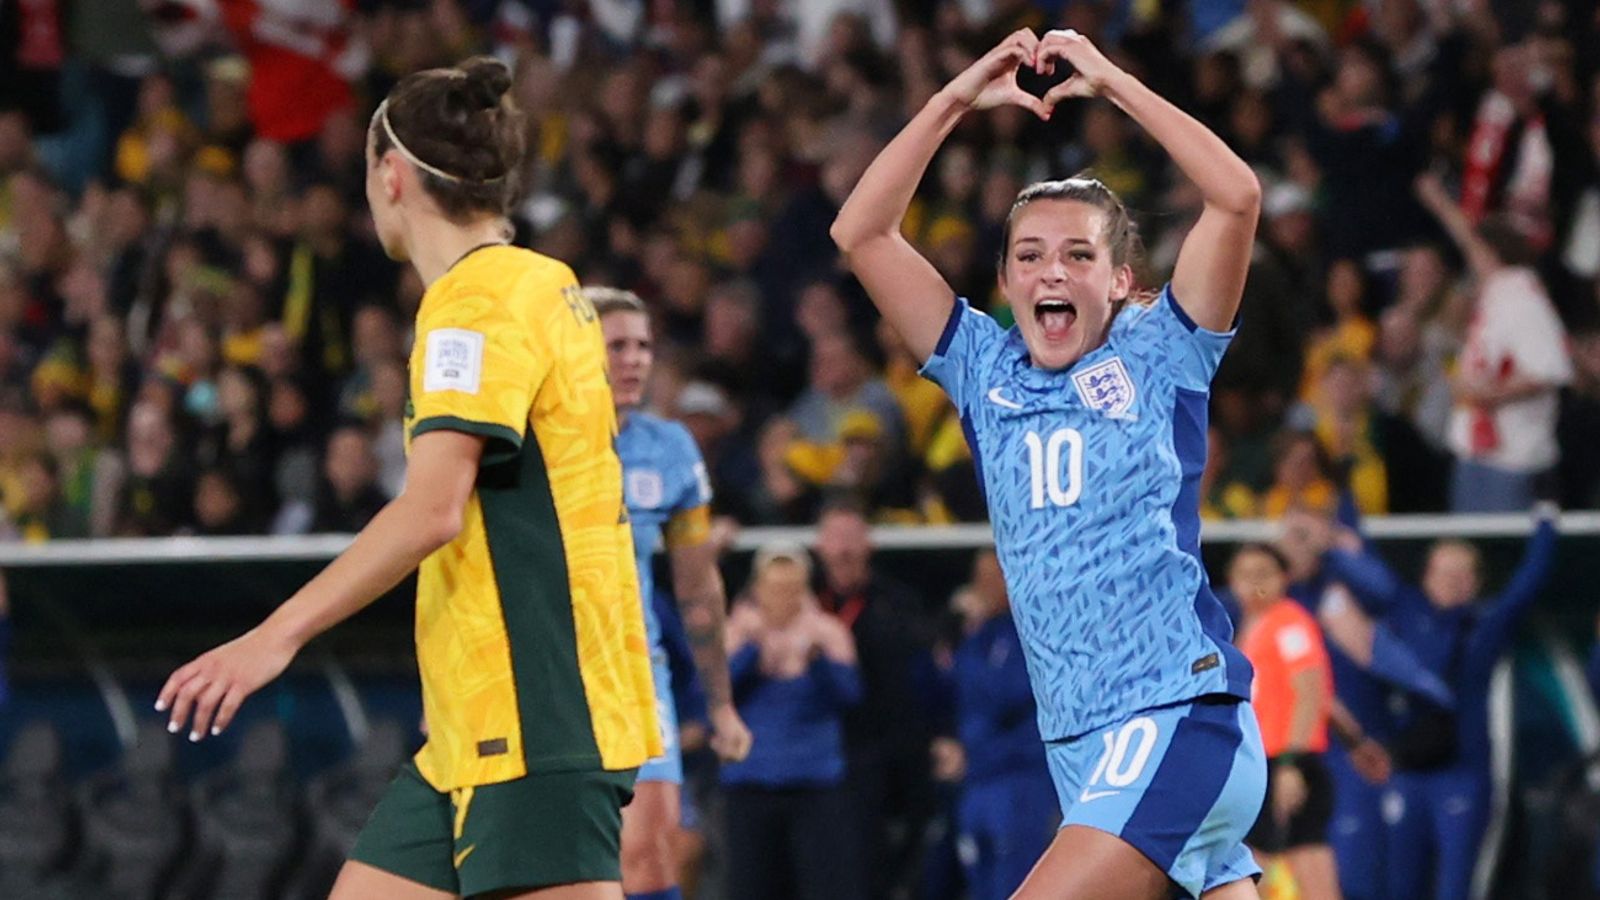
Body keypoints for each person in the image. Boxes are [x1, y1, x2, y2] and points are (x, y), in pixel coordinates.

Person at [155, 58, 660, 900]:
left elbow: (434, 510)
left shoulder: (477, 303)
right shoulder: (543, 282)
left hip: (534, 711)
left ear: (390, 175)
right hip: (478, 717)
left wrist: (271, 637)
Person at [832, 26, 1267, 899]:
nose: (1050, 272)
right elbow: (862, 230)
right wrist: (954, 99)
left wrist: (1113, 85)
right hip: (1078, 746)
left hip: (1174, 717)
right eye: (1029, 256)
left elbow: (1236, 197)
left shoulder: (1161, 353)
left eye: (1078, 254)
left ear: (1119, 280)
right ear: (1004, 279)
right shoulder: (983, 372)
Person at [588, 285, 753, 900]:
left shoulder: (671, 449)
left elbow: (698, 588)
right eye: (616, 345)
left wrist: (719, 705)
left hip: (635, 672)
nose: (634, 359)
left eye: (643, 346)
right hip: (542, 672)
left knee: (652, 853)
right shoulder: (529, 442)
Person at [1322, 503, 1559, 900]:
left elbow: (1527, 585)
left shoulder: (1483, 628)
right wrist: (1345, 489)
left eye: (1461, 573)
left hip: (1463, 775)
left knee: (1455, 887)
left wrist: (1547, 523)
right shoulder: (1403, 614)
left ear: (1476, 582)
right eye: (1442, 571)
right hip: (1408, 773)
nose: (1451, 581)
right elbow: (1361, 561)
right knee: (1400, 886)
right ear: (1426, 576)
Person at [720, 544, 866, 900]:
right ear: (758, 589)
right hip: (751, 781)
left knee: (823, 887)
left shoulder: (827, 632)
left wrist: (817, 662)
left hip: (813, 781)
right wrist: (752, 653)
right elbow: (717, 694)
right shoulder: (738, 631)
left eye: (791, 588)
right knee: (750, 888)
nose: (782, 597)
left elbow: (850, 697)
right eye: (774, 588)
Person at [939, 550, 1057, 900]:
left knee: (1018, 883)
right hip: (977, 777)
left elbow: (1008, 693)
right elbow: (947, 692)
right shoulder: (977, 636)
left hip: (1021, 776)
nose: (985, 586)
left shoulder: (1034, 633)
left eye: (995, 577)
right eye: (981, 577)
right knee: (979, 882)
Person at [1230, 544, 1341, 900]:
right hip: (1260, 763)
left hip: (1288, 761)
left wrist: (1293, 764)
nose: (1254, 584)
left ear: (1284, 578)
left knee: (1309, 868)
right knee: (1257, 867)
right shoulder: (1248, 629)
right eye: (1245, 575)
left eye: (1264, 574)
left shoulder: (1289, 623)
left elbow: (1310, 690)